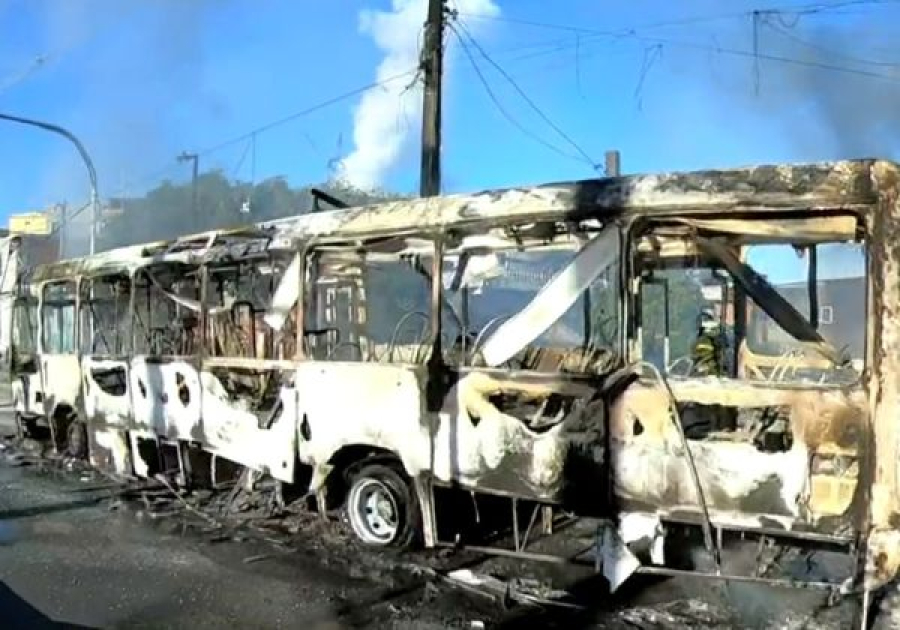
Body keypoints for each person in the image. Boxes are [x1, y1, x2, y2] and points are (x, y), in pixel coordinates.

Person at [691, 308, 724, 377]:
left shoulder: (716, 336)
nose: (702, 321)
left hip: (712, 377)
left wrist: (706, 366)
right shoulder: (699, 337)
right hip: (699, 376)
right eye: (702, 318)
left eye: (706, 319)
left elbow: (720, 358)